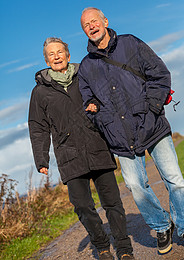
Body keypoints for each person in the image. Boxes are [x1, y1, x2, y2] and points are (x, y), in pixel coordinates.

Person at [78, 7, 184, 255]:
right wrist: (98, 117)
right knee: (135, 186)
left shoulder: (131, 43)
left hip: (152, 124)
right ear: (84, 31)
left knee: (174, 179)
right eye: (86, 25)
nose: (91, 26)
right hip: (120, 137)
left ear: (105, 21)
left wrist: (152, 107)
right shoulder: (86, 67)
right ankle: (162, 226)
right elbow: (88, 102)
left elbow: (160, 74)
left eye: (94, 21)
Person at [28, 37, 135, 260]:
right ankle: (102, 246)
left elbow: (106, 99)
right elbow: (38, 127)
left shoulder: (85, 75)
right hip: (69, 156)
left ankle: (124, 249)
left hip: (97, 145)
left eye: (60, 52)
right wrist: (41, 159)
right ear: (46, 60)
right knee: (82, 206)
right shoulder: (39, 93)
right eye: (51, 54)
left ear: (68, 55)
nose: (56, 56)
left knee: (112, 202)